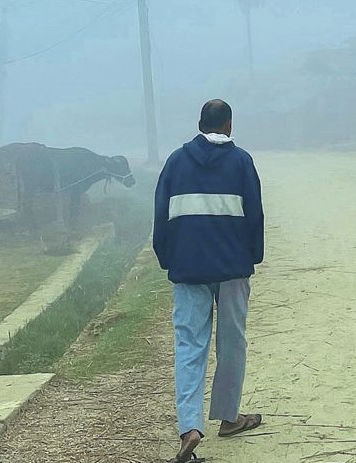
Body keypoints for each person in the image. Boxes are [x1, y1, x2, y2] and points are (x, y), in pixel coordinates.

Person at [153, 99, 265, 463]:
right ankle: (230, 418)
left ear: (199, 124)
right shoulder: (241, 161)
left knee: (189, 345)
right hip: (232, 267)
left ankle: (190, 427)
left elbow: (161, 216)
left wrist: (168, 258)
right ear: (229, 126)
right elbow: (255, 215)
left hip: (188, 267)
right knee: (232, 341)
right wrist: (253, 256)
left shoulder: (175, 162)